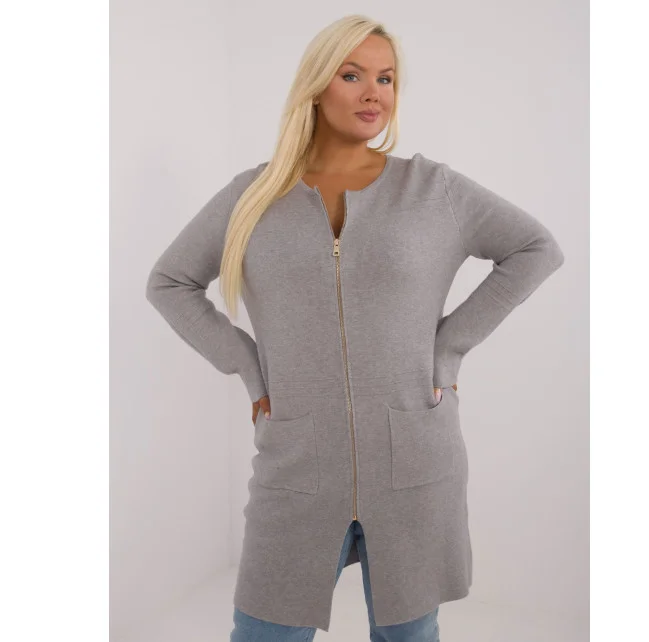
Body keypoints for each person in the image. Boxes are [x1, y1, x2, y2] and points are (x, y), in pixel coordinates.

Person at [145, 14, 565, 642]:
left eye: (386, 78)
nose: (374, 93)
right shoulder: (252, 196)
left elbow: (536, 248)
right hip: (297, 457)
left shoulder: (432, 189)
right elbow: (170, 282)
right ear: (316, 86)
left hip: (414, 451)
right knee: (263, 631)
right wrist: (249, 366)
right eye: (352, 75)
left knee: (409, 633)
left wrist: (448, 348)